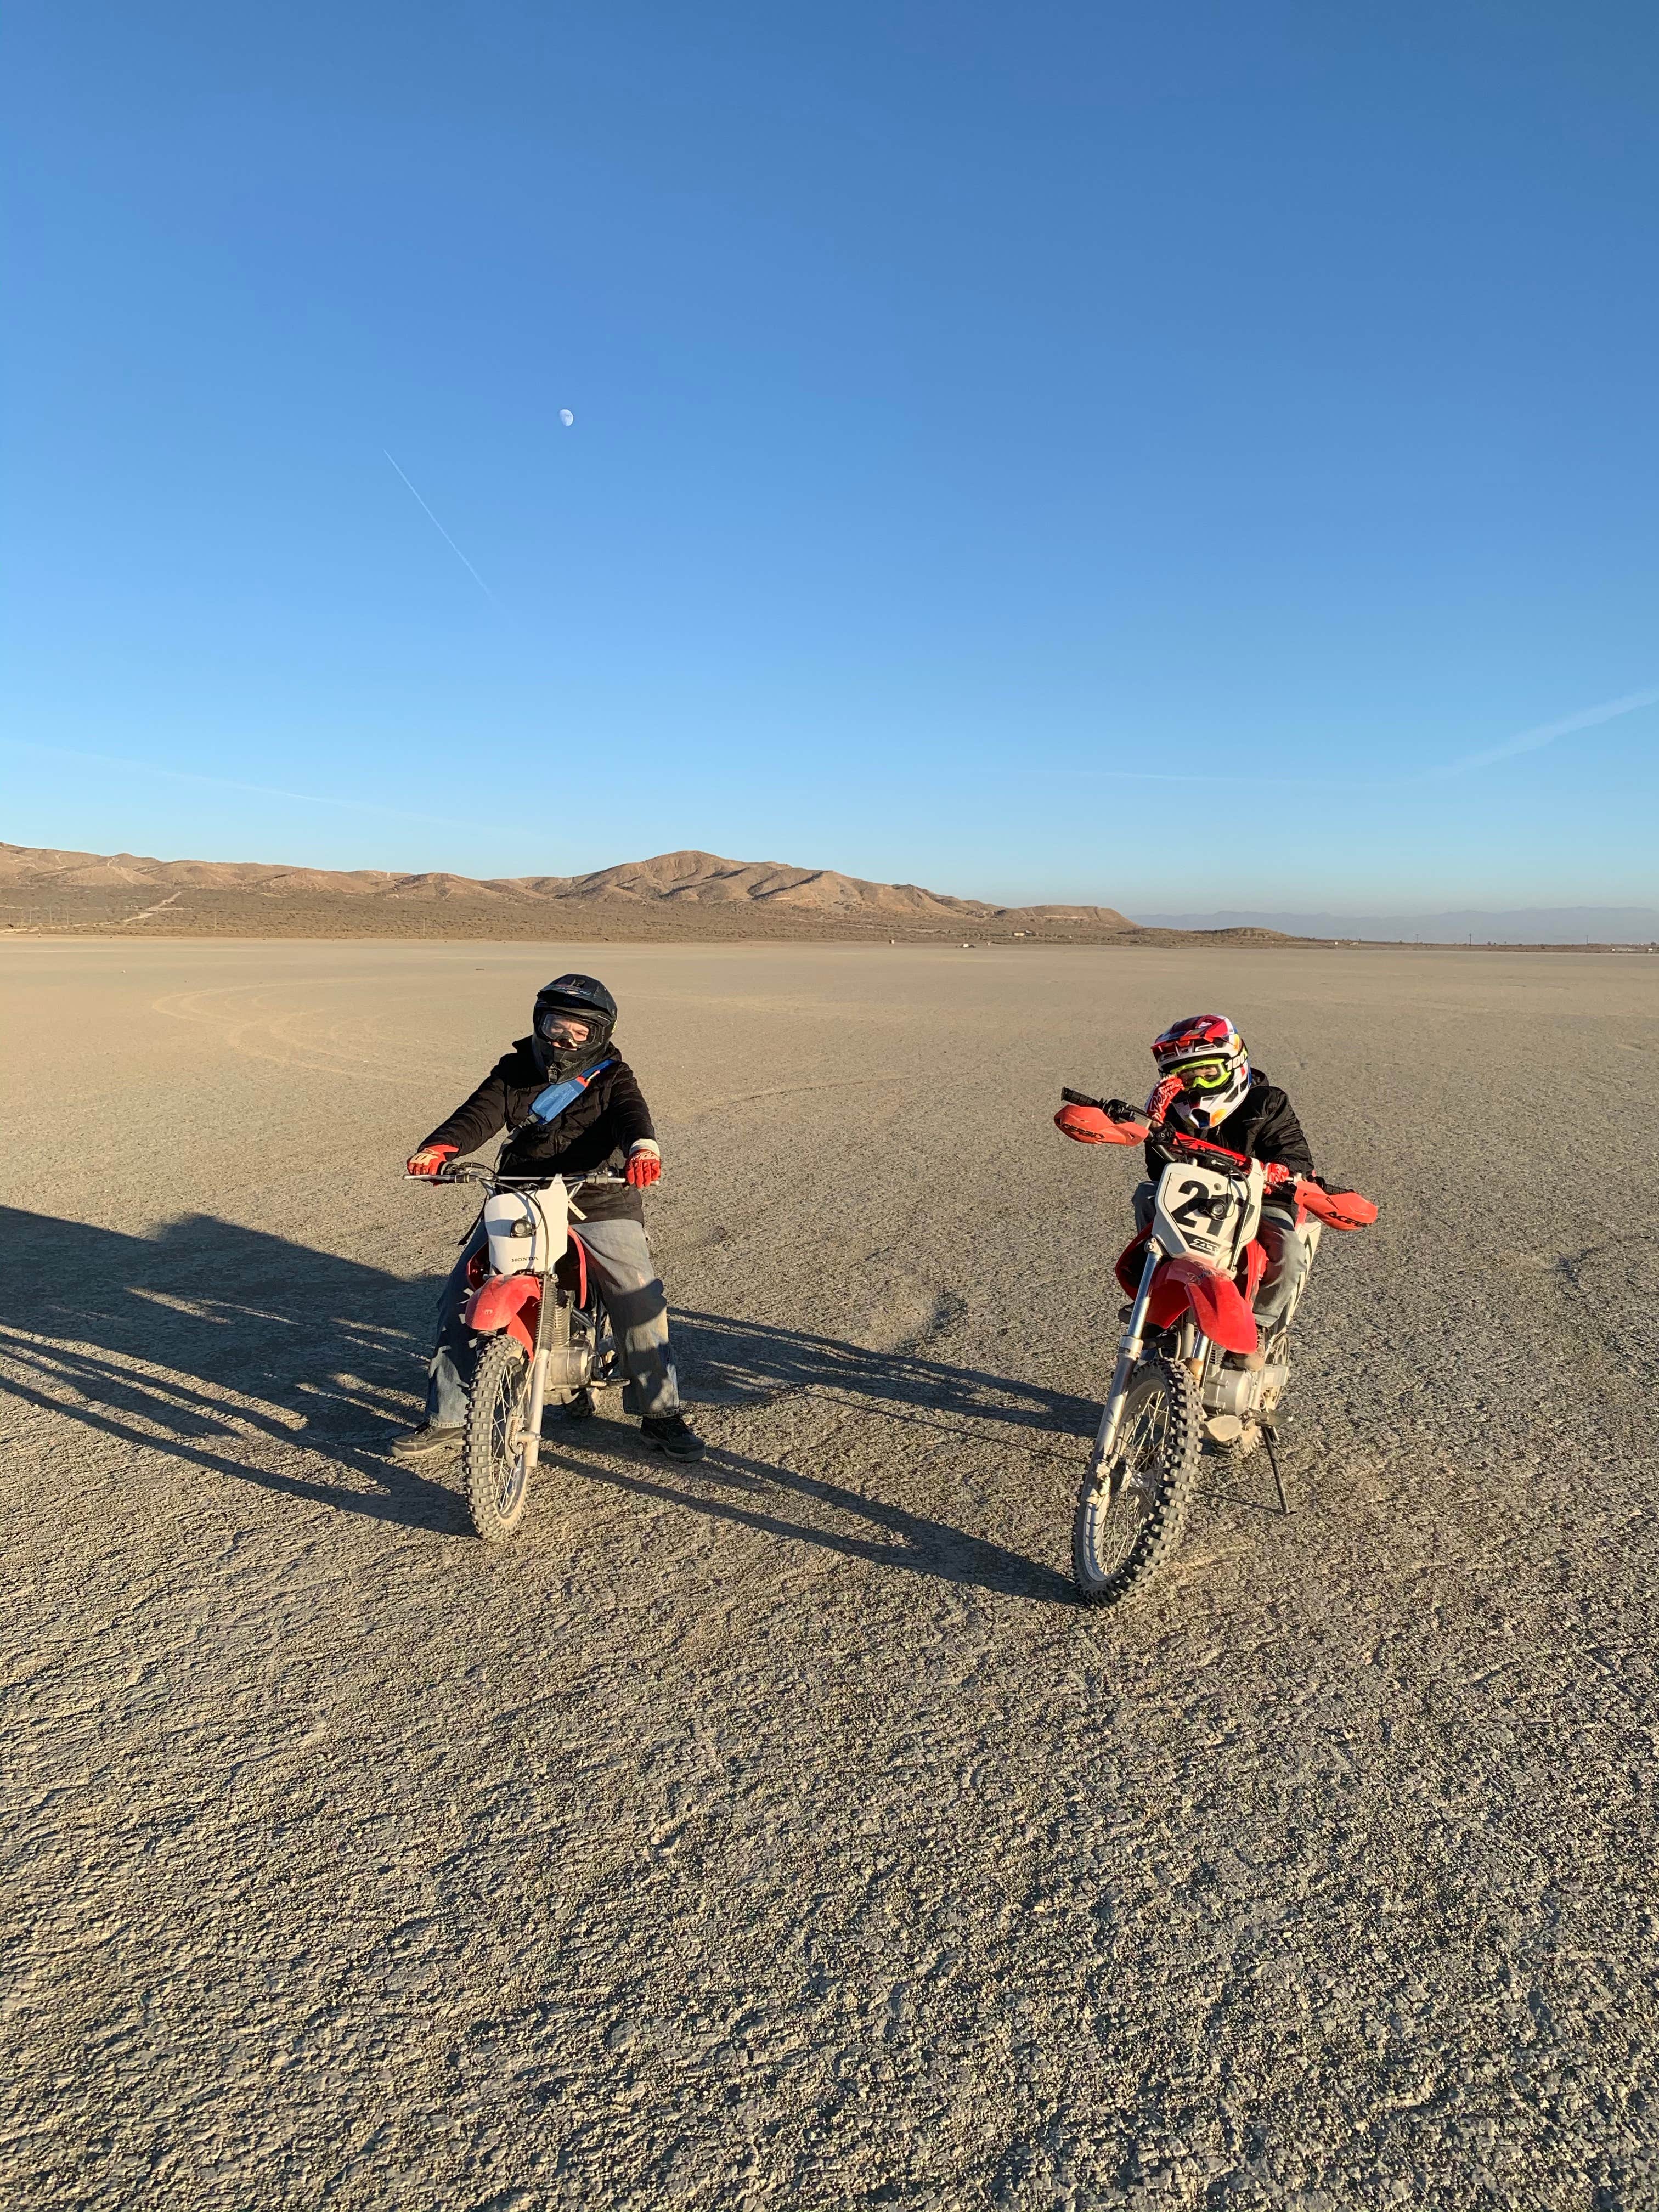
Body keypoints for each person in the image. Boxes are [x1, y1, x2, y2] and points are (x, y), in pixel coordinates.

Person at [393, 973, 704, 1463]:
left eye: (579, 1031)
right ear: (539, 1022)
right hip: (523, 1193)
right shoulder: (515, 1070)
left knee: (636, 1291)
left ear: (599, 1035)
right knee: (460, 1294)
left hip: (599, 1196)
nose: (564, 1039)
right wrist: (439, 1148)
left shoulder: (612, 1076)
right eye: (556, 1025)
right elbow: (478, 1115)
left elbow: (631, 1117)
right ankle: (450, 1417)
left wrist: (643, 1150)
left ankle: (661, 1414)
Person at [1100, 1014, 1318, 1346]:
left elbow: (1295, 1154)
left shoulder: (1269, 1102)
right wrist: (1155, 1127)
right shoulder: (1174, 1108)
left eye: (1208, 1072)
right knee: (1147, 1194)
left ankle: (1259, 1324)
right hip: (1194, 1192)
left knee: (1288, 1251)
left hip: (1261, 1197)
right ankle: (1155, 1289)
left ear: (1236, 1063)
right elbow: (1157, 1170)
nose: (1198, 1084)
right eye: (1187, 1077)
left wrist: (1280, 1170)